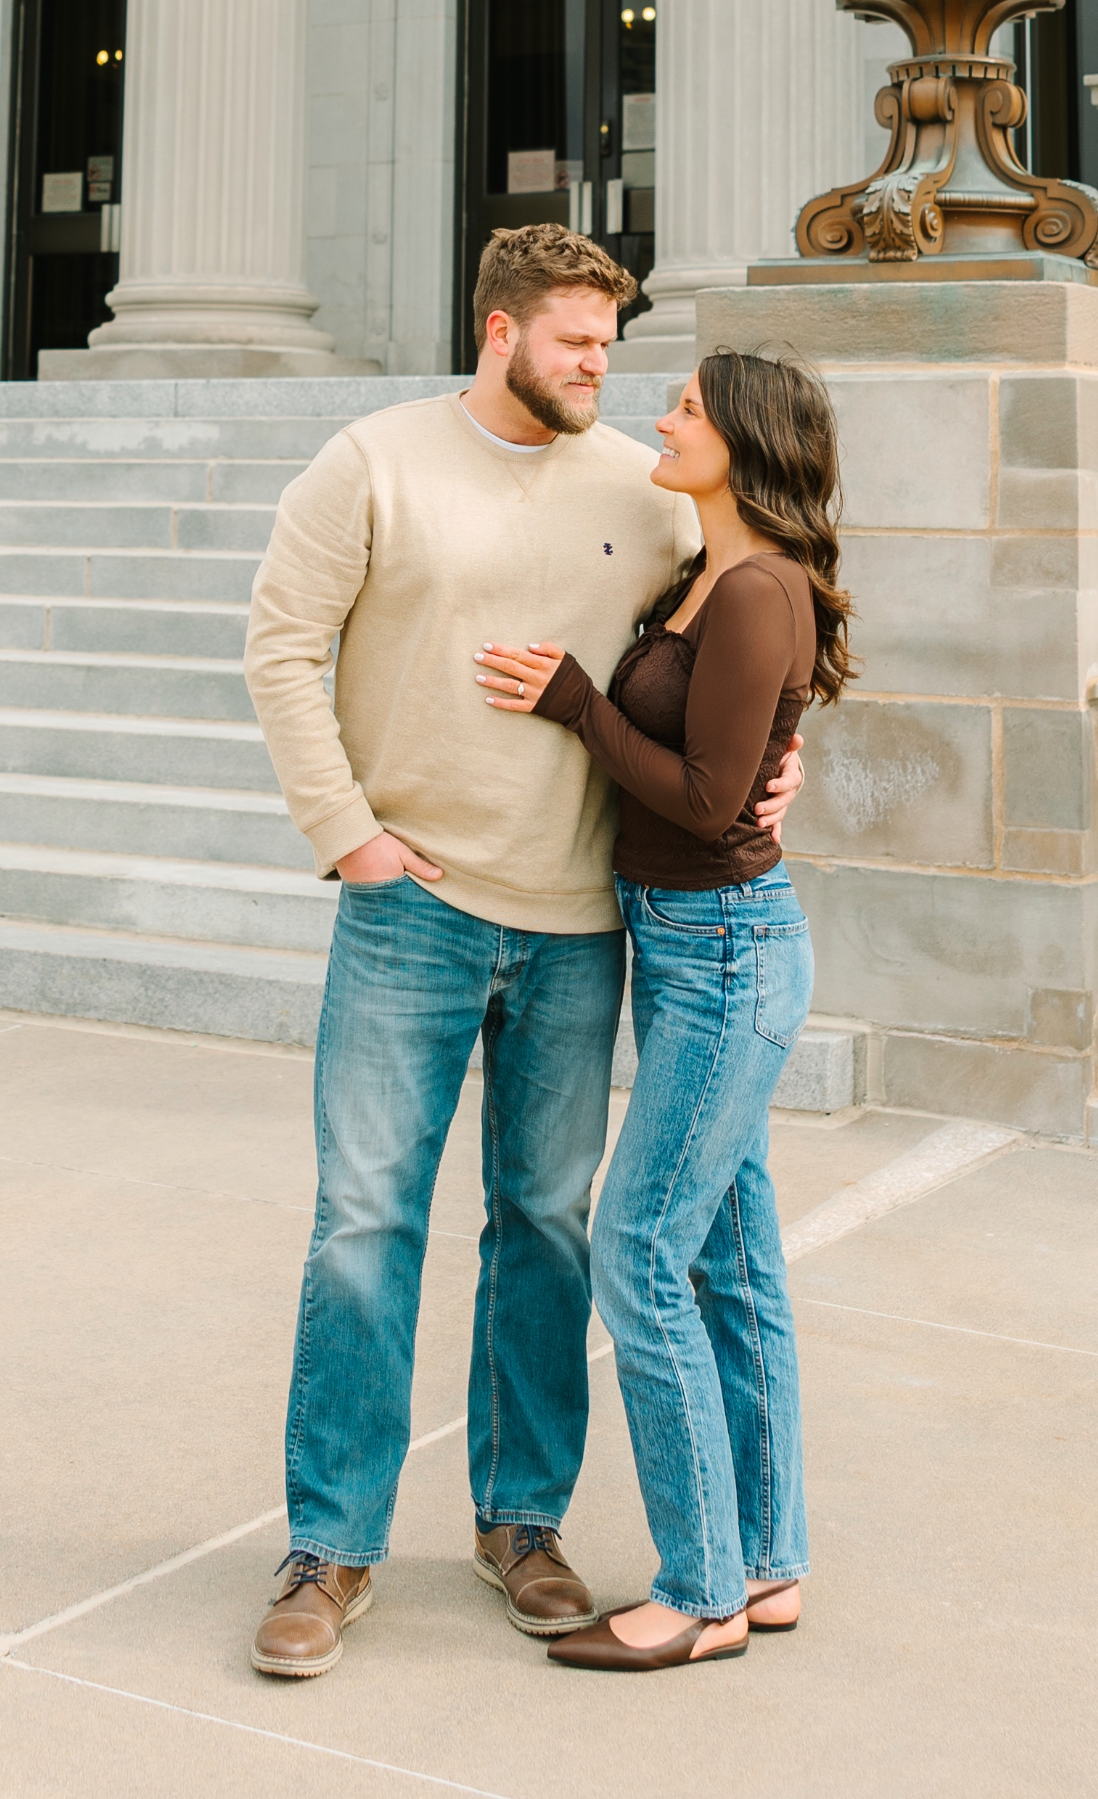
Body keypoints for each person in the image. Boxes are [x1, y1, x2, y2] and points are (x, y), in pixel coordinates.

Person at [242, 228, 804, 1678]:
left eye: (611, 347)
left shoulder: (646, 486)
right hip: (410, 910)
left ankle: (521, 1525)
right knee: (365, 1227)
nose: (600, 369)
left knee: (546, 1229)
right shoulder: (371, 462)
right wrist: (348, 831)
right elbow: (279, 646)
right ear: (499, 332)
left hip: (580, 926)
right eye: (576, 343)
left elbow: (759, 616)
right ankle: (332, 1546)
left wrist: (784, 763)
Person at [473, 347, 855, 1673]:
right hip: (693, 946)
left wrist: (576, 699)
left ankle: (697, 1594)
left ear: (745, 437)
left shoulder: (755, 592)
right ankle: (765, 1558)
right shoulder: (707, 572)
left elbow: (705, 798)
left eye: (687, 407)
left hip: (725, 953)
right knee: (729, 1264)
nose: (663, 418)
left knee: (637, 1247)